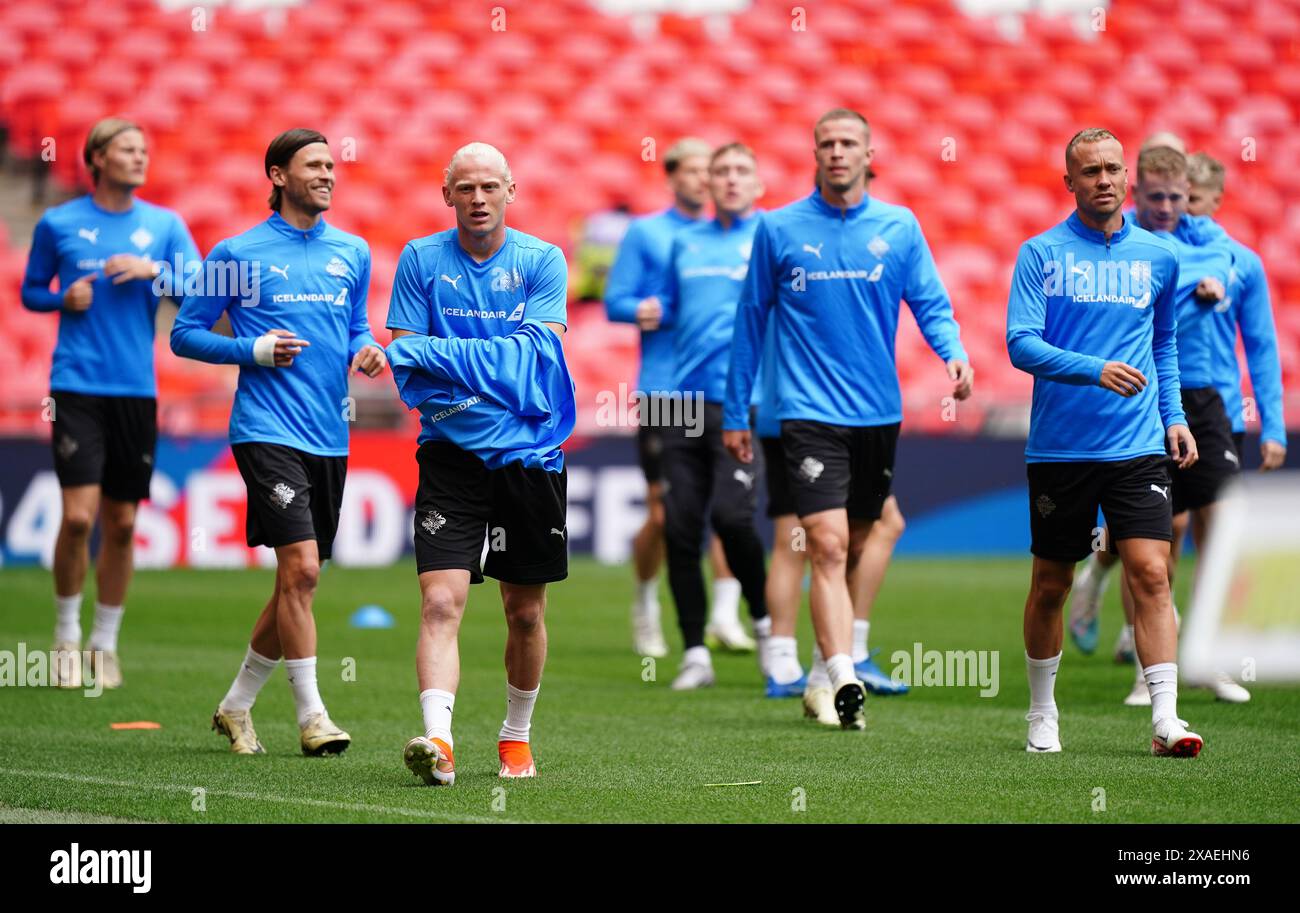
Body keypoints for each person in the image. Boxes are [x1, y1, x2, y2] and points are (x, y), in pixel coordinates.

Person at [724, 108, 972, 730]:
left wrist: (954, 353)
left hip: (877, 415)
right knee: (826, 545)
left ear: (868, 152)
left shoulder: (899, 226)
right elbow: (749, 324)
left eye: (848, 143)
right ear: (815, 153)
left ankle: (816, 676)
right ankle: (843, 676)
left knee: (858, 541)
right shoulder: (777, 229)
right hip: (806, 414)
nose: (837, 152)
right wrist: (735, 412)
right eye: (827, 143)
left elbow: (931, 303)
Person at [171, 128, 384, 755]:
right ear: (278, 175)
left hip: (329, 435)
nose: (327, 174)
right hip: (265, 430)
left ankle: (235, 707)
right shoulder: (236, 252)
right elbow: (185, 334)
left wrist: (365, 351)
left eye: (331, 165)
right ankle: (313, 717)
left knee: (296, 584)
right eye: (313, 165)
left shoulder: (353, 250)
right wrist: (252, 350)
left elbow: (355, 328)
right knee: (304, 568)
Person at [1006, 127, 1203, 757]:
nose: (1105, 180)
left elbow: (1164, 341)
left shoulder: (1159, 256)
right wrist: (1093, 368)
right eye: (1090, 171)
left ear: (1129, 178)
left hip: (1138, 443)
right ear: (1070, 182)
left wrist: (1173, 414)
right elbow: (1020, 343)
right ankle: (1042, 711)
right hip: (1062, 449)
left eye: (1114, 169)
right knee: (1052, 584)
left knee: (1151, 571)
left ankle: (1165, 720)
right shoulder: (1040, 254)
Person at [386, 143, 573, 786]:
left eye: (490, 186)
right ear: (447, 195)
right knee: (441, 601)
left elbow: (535, 360)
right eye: (465, 187)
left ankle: (515, 736)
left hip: (530, 458)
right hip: (449, 458)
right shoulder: (419, 259)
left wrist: (445, 356)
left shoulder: (543, 260)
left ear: (510, 189)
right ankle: (438, 741)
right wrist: (496, 369)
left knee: (525, 612)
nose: (478, 197)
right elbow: (403, 361)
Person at [21, 117, 199, 690]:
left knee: (121, 524)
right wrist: (58, 299)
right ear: (96, 158)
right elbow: (30, 289)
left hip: (136, 391)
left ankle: (104, 643)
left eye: (144, 148)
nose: (140, 157)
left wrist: (157, 271)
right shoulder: (58, 222)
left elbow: (200, 288)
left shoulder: (164, 225)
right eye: (127, 148)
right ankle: (67, 637)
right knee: (78, 517)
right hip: (76, 385)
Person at [605, 138, 750, 657]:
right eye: (689, 171)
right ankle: (645, 601)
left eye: (704, 170)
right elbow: (614, 301)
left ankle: (724, 615)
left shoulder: (732, 239)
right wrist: (642, 309)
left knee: (727, 506)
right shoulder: (649, 233)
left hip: (724, 388)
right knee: (668, 513)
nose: (699, 179)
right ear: (672, 178)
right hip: (667, 389)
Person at [654, 142, 771, 690]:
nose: (728, 180)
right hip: (680, 402)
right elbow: (673, 314)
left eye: (740, 171)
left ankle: (768, 627)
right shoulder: (684, 242)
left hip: (743, 400)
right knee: (679, 527)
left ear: (758, 183)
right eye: (720, 171)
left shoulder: (772, 236)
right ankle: (695, 650)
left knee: (732, 517)